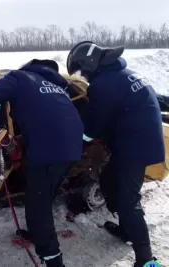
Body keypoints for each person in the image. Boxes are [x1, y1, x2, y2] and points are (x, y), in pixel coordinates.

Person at [66, 41, 165, 267]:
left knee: (129, 201)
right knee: (109, 180)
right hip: (137, 141)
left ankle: (146, 259)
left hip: (136, 147)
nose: (83, 76)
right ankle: (127, 229)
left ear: (90, 64)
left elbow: (93, 127)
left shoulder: (104, 84)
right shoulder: (123, 74)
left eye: (82, 70)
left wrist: (74, 139)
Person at [0, 59, 84, 267]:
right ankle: (40, 233)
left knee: (37, 207)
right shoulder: (58, 86)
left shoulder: (20, 77)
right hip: (74, 146)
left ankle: (53, 259)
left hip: (49, 148)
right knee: (45, 197)